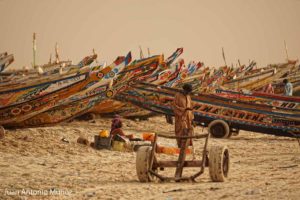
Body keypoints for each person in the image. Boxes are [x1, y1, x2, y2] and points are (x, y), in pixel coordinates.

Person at [172, 84, 194, 148]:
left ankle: (186, 146)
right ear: (184, 90)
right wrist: (184, 110)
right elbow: (175, 106)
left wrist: (192, 117)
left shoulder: (188, 96)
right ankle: (180, 146)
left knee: (189, 131)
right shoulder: (178, 95)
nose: (188, 93)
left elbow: (191, 107)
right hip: (180, 117)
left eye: (189, 92)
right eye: (187, 92)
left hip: (188, 118)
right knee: (181, 131)